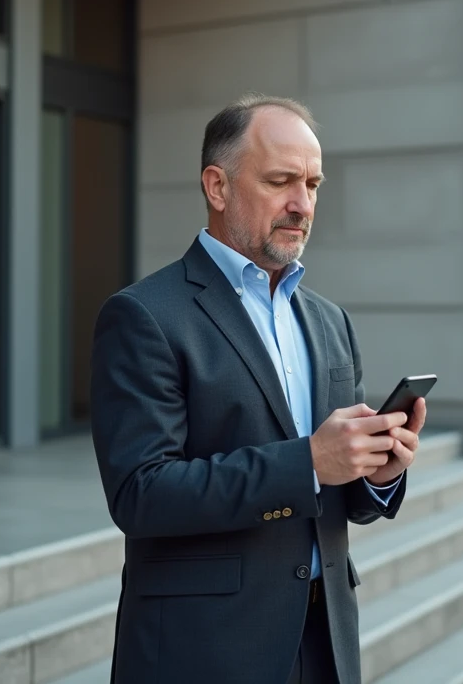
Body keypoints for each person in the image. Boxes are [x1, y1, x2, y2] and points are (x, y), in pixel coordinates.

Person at [89, 93, 427, 684]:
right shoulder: (144, 316)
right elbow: (141, 495)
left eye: (313, 185)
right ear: (217, 187)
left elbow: (337, 497)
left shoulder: (330, 321)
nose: (303, 204)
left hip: (326, 642)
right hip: (205, 650)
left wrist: (377, 472)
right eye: (280, 181)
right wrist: (309, 461)